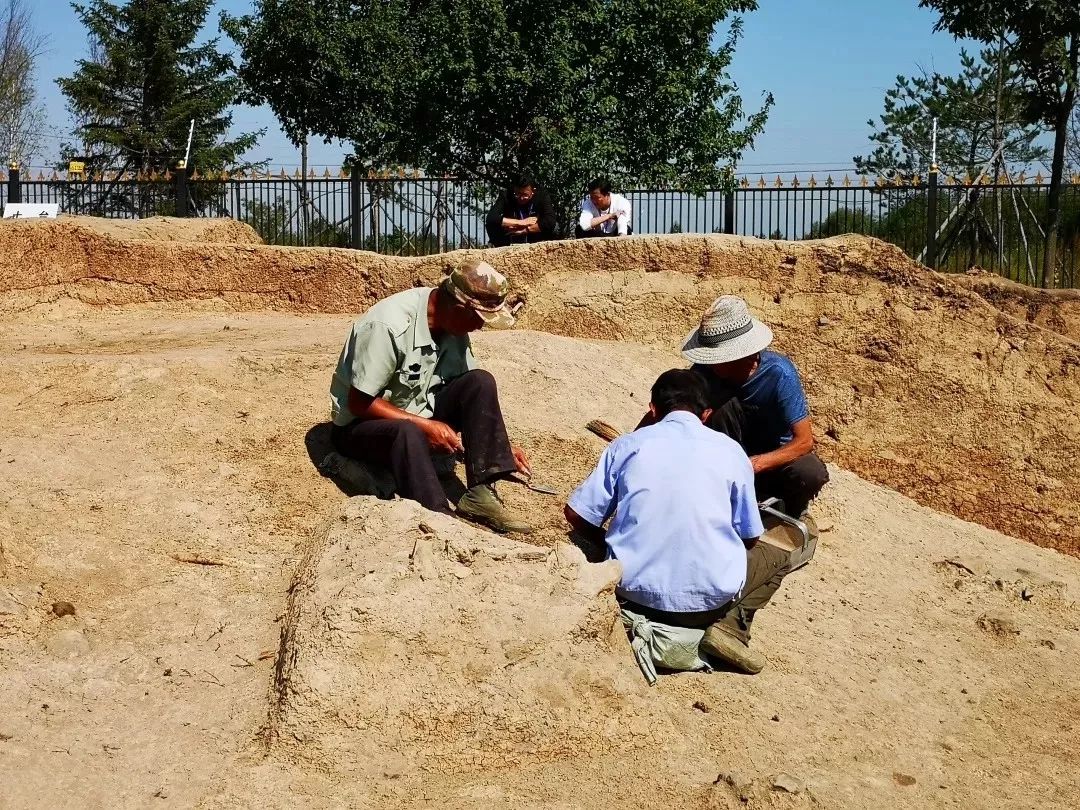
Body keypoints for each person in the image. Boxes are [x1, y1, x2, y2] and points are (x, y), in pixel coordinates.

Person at [565, 369, 785, 675]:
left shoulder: (628, 445)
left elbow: (577, 514)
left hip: (627, 591)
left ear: (652, 408)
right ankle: (729, 628)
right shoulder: (732, 453)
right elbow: (749, 537)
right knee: (779, 555)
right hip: (704, 606)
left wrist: (607, 543)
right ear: (706, 414)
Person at [328, 259, 532, 533]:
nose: (480, 327)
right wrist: (425, 426)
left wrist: (497, 448)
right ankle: (438, 517)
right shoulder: (389, 325)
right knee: (407, 432)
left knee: (480, 383)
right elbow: (359, 402)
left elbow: (464, 387)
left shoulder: (453, 325)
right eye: (479, 318)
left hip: (416, 413)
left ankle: (480, 496)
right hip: (360, 427)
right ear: (460, 307)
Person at [678, 295, 829, 520]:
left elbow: (805, 441)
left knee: (810, 472)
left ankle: (790, 511)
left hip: (773, 460)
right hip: (724, 461)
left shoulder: (779, 373)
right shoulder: (703, 372)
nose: (713, 363)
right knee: (721, 407)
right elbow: (674, 410)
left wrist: (755, 464)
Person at [485, 173, 557, 247]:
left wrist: (524, 230)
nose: (521, 198)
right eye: (518, 194)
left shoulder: (541, 195)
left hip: (534, 239)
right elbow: (491, 218)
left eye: (525, 195)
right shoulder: (506, 195)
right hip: (509, 238)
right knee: (492, 225)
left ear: (533, 192)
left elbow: (550, 221)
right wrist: (520, 222)